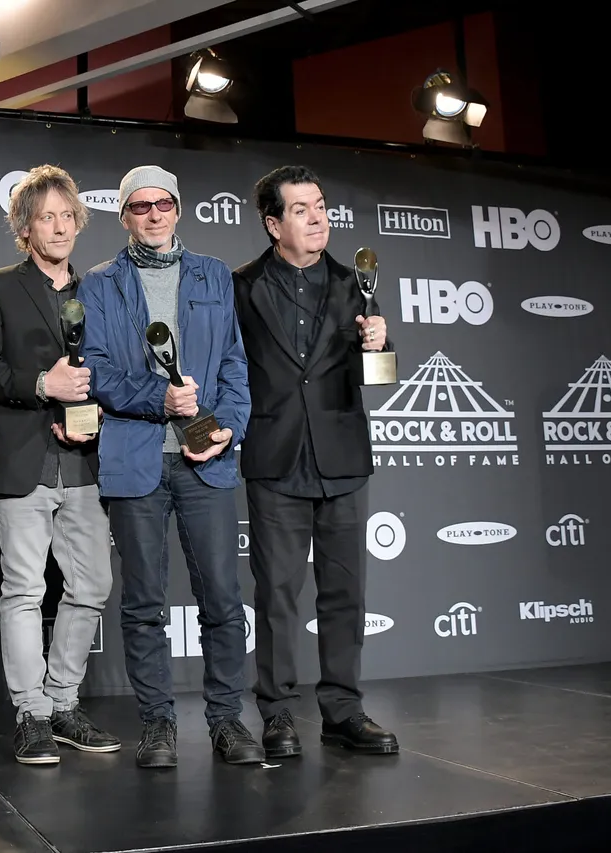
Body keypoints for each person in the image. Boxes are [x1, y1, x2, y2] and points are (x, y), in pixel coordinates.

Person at [78, 165, 264, 768]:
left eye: (164, 204)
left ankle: (227, 722)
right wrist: (157, 398)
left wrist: (227, 427)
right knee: (143, 603)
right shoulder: (101, 283)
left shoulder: (214, 274)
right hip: (135, 460)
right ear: (124, 215)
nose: (154, 215)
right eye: (140, 206)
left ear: (178, 209)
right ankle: (157, 723)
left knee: (222, 598)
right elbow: (97, 373)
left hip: (204, 459)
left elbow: (235, 366)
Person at [231, 164, 398, 757]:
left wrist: (382, 342)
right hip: (276, 458)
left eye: (321, 205)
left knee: (345, 594)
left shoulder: (358, 285)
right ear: (274, 224)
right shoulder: (240, 287)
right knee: (276, 594)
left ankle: (343, 711)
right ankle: (277, 713)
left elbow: (380, 366)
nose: (317, 217)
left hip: (343, 457)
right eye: (300, 209)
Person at [0, 164, 121, 766]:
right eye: (44, 217)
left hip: (85, 461)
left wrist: (100, 407)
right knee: (25, 591)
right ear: (24, 229)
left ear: (79, 222)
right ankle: (31, 714)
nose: (58, 226)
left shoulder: (101, 290)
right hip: (21, 460)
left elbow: (116, 369)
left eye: (66, 215)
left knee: (93, 585)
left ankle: (62, 701)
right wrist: (39, 383)